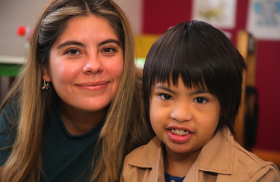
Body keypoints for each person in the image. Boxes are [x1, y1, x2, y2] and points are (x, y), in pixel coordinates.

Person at [0, 0, 153, 181]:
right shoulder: (17, 116)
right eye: (73, 51)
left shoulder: (153, 111)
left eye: (108, 49)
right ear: (45, 69)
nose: (93, 65)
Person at [121, 20, 280, 182]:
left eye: (200, 99)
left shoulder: (257, 177)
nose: (180, 115)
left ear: (226, 105)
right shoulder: (131, 167)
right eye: (166, 96)